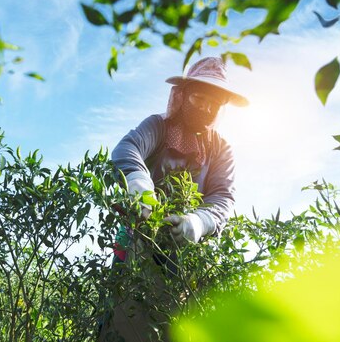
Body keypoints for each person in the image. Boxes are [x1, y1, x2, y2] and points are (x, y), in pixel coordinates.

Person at [97, 56, 248, 342]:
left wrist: (199, 222)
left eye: (212, 104)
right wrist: (140, 185)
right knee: (123, 322)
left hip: (184, 252)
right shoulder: (159, 127)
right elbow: (127, 148)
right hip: (137, 240)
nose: (205, 108)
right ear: (183, 95)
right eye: (198, 99)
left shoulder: (220, 149)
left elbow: (223, 196)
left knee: (172, 326)